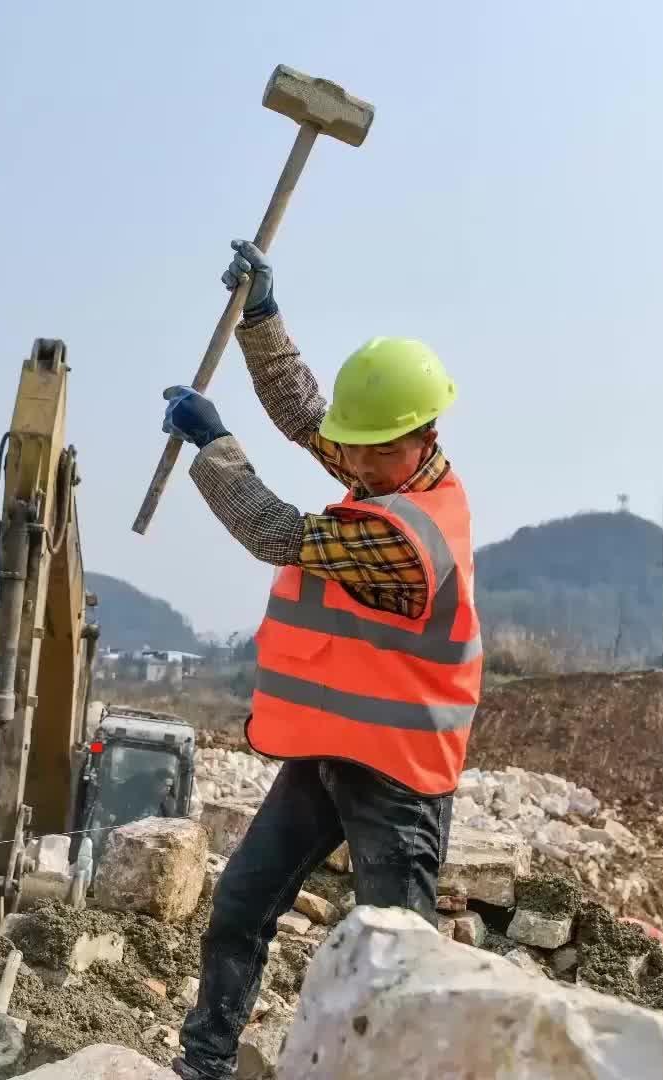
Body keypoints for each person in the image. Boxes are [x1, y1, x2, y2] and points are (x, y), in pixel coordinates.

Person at [164, 240, 482, 1080]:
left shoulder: (410, 537)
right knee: (238, 909)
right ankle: (204, 1064)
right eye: (359, 450)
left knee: (395, 969)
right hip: (329, 751)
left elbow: (278, 532)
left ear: (424, 437)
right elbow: (313, 418)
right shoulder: (388, 469)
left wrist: (214, 446)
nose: (356, 463)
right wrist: (262, 320)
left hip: (400, 775)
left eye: (375, 452)